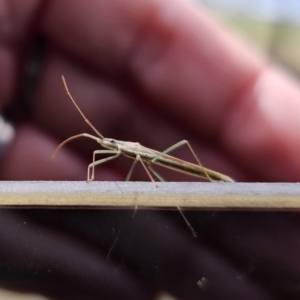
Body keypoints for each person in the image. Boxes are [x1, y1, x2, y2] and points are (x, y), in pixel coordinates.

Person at [0, 0, 299, 299]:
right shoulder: (110, 147)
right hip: (144, 159)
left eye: (105, 143)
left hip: (156, 159)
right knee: (152, 182)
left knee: (163, 177)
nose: (102, 145)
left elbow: (128, 162)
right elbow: (104, 160)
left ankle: (203, 190)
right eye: (103, 143)